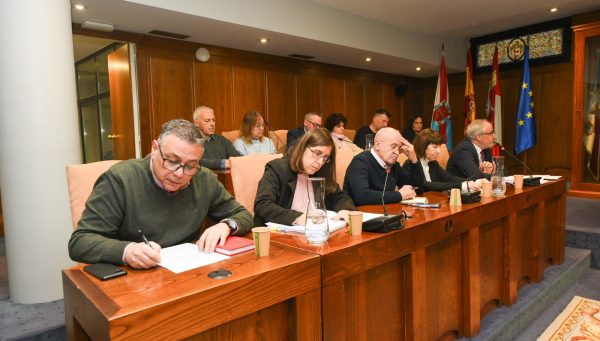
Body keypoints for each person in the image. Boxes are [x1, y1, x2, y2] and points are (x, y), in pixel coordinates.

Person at [68, 119, 253, 269]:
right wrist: (127, 250)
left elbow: (243, 215)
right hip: (135, 282)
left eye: (190, 165)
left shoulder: (204, 178)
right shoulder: (120, 180)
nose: (180, 174)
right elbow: (80, 242)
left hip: (188, 274)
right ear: (154, 148)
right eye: (172, 161)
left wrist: (225, 225)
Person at [254, 128, 357, 227]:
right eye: (317, 153)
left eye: (325, 157)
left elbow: (339, 196)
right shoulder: (277, 169)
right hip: (279, 235)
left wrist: (345, 209)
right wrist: (297, 217)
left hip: (314, 232)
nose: (320, 162)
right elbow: (262, 204)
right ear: (303, 148)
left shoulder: (320, 171)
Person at [344, 127, 424, 206]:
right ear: (378, 145)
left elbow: (417, 186)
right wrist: (399, 195)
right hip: (361, 215)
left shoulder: (393, 165)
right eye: (393, 146)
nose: (397, 152)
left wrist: (414, 159)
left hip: (387, 212)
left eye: (399, 148)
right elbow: (362, 196)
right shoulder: (360, 162)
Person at [403, 129, 483, 192]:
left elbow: (450, 178)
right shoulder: (411, 164)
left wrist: (474, 181)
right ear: (423, 147)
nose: (438, 151)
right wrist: (463, 185)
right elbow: (426, 185)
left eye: (439, 147)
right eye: (434, 147)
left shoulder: (433, 164)